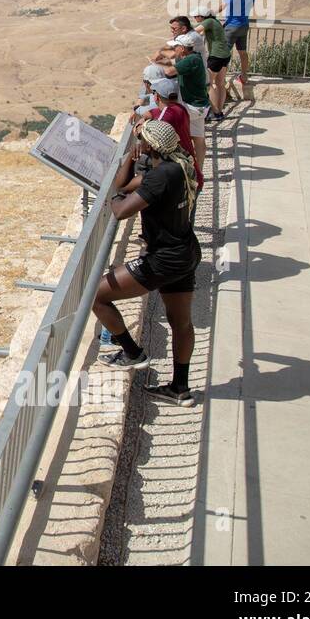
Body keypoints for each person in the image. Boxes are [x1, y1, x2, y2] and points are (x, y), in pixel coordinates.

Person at [91, 119, 200, 406]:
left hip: (163, 259)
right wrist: (132, 156)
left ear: (150, 144)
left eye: (141, 139)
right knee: (181, 322)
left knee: (96, 294)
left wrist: (113, 197)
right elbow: (127, 183)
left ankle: (131, 352)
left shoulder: (158, 177)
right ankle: (180, 388)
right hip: (185, 252)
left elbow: (121, 208)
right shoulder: (178, 166)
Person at [132, 77, 202, 191]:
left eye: (154, 92)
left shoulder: (164, 119)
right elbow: (153, 112)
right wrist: (146, 116)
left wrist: (139, 128)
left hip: (182, 176)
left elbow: (147, 136)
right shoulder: (180, 109)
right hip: (190, 170)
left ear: (157, 97)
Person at [161, 34, 208, 177]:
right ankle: (199, 172)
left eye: (175, 47)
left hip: (192, 107)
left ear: (182, 48)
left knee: (172, 131)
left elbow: (169, 72)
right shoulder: (195, 57)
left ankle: (180, 169)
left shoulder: (190, 60)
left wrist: (162, 64)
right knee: (199, 138)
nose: (173, 49)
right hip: (200, 105)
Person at [192, 4, 230, 121]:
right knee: (220, 84)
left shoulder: (208, 21)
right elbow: (203, 33)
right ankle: (219, 111)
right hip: (225, 55)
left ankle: (215, 112)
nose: (195, 19)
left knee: (208, 84)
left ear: (201, 16)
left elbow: (194, 32)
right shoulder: (215, 21)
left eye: (196, 17)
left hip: (216, 56)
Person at [221, 0, 255, 86]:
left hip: (232, 25)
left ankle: (221, 79)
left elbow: (223, 5)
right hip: (244, 24)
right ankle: (244, 76)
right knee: (242, 51)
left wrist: (209, 16)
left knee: (223, 53)